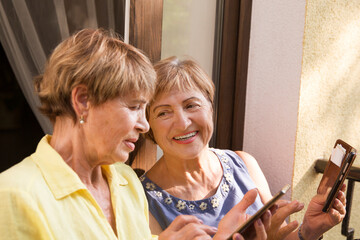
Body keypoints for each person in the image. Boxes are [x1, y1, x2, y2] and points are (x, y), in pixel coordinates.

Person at [0, 28, 270, 240]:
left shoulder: (126, 181)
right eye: (134, 107)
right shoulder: (12, 194)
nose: (145, 125)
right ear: (83, 100)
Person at [141, 56, 347, 240]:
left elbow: (279, 237)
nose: (183, 123)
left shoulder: (243, 163)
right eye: (163, 113)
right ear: (148, 126)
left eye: (191, 105)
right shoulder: (141, 199)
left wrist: (309, 230)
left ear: (210, 107)